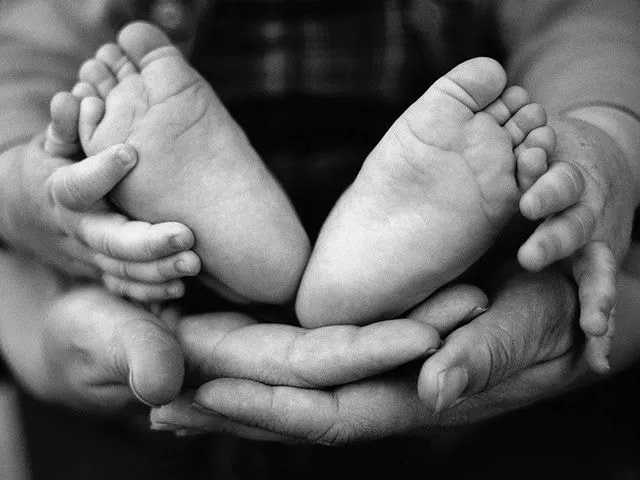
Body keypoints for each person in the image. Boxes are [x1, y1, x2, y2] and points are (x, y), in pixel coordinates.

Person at [0, 0, 639, 478]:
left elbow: (583, 18)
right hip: (152, 285)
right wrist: (30, 188)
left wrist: (600, 141)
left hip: (162, 327)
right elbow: (580, 22)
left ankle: (375, 243)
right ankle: (314, 246)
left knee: (527, 186)